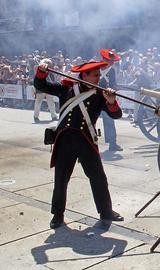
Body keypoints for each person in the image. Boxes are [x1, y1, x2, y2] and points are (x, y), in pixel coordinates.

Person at [34, 60, 124, 229]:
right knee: (61, 179)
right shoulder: (66, 89)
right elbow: (41, 84)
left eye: (98, 75)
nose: (99, 78)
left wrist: (111, 101)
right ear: (85, 76)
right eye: (95, 75)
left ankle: (106, 211)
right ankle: (57, 215)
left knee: (98, 177)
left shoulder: (100, 94)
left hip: (86, 141)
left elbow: (116, 115)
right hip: (65, 141)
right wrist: (41, 69)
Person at [99, 48, 123, 151]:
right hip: (97, 96)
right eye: (110, 60)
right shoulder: (97, 67)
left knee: (109, 120)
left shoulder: (111, 70)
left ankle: (112, 143)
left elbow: (113, 84)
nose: (112, 62)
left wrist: (115, 87)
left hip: (105, 97)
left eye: (112, 61)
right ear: (104, 59)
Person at [33, 58, 58, 122]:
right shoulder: (40, 68)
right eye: (49, 64)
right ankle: (36, 116)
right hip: (41, 88)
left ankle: (54, 116)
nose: (50, 65)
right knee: (38, 103)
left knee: (51, 103)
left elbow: (53, 79)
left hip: (48, 88)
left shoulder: (51, 70)